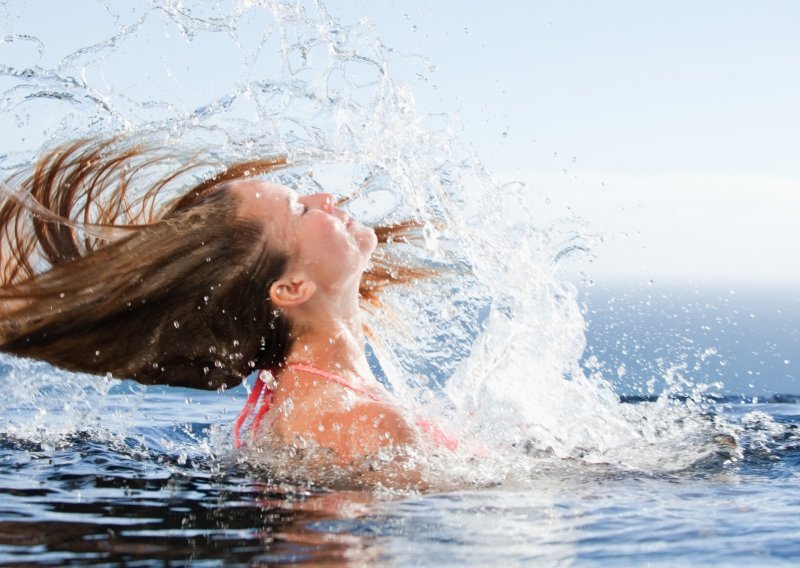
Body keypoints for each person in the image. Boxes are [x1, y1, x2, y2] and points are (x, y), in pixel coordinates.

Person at [0, 136, 448, 476]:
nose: (326, 199)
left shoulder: (319, 402)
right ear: (291, 288)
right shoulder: (357, 422)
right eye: (302, 212)